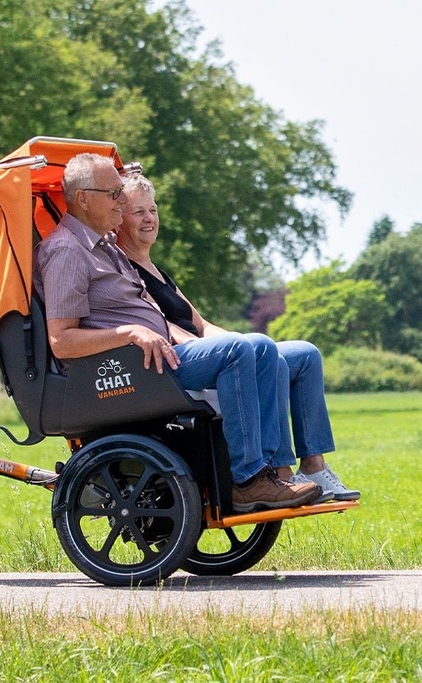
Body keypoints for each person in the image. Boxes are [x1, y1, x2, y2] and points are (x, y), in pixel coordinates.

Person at [33, 153, 320, 512]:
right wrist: (131, 332)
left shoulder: (104, 246)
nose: (120, 200)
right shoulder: (65, 252)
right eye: (113, 192)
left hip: (158, 355)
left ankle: (273, 473)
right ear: (82, 198)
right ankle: (248, 480)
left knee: (259, 348)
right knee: (240, 349)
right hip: (128, 367)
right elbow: (61, 341)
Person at [114, 174, 359, 502]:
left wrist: (244, 343)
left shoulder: (155, 268)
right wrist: (235, 349)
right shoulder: (126, 270)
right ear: (118, 221)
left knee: (304, 353)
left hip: (202, 347)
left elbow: (200, 324)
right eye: (139, 212)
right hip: (180, 359)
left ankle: (314, 468)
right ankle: (278, 472)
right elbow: (164, 327)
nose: (149, 218)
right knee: (257, 348)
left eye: (153, 210)